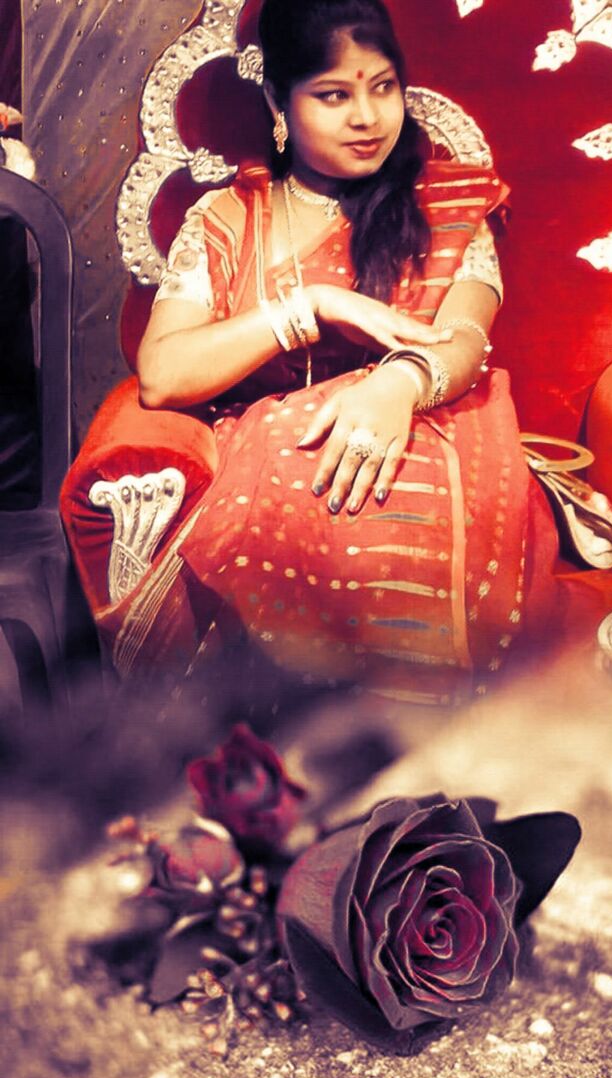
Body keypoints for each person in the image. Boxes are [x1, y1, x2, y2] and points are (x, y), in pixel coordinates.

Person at [68, 0, 561, 705]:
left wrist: (396, 386)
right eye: (333, 95)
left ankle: (420, 750)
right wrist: (313, 307)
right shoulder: (229, 218)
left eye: (383, 87)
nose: (367, 117)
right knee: (292, 463)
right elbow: (163, 377)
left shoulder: (449, 206)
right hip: (281, 460)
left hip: (436, 434)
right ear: (278, 100)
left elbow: (463, 339)